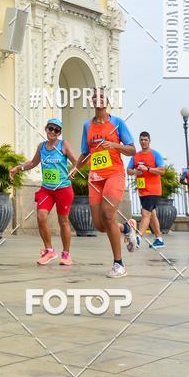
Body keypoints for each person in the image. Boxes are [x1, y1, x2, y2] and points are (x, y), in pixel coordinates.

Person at [75, 88, 137, 279]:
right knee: (100, 225)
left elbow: (132, 150)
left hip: (114, 174)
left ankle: (119, 264)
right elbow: (85, 153)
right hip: (95, 178)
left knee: (108, 213)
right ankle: (126, 228)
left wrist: (115, 145)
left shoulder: (117, 123)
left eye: (102, 97)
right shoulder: (87, 126)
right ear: (92, 102)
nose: (98, 99)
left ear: (107, 101)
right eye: (95, 97)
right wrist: (75, 167)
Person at [9, 117, 77, 266]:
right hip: (47, 189)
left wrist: (74, 170)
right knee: (41, 216)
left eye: (56, 130)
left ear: (59, 133)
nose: (53, 132)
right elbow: (33, 163)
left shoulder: (63, 145)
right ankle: (49, 250)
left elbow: (76, 161)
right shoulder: (41, 147)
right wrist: (18, 168)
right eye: (50, 128)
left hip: (63, 189)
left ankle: (66, 254)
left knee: (63, 221)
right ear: (46, 129)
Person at [127, 131, 165, 248]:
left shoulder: (155, 154)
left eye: (145, 140)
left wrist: (147, 169)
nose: (143, 142)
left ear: (149, 141)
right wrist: (135, 171)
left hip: (153, 190)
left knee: (145, 213)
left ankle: (138, 237)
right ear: (139, 141)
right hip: (142, 190)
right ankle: (159, 239)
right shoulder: (136, 156)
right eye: (141, 140)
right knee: (151, 214)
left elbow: (162, 171)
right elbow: (128, 170)